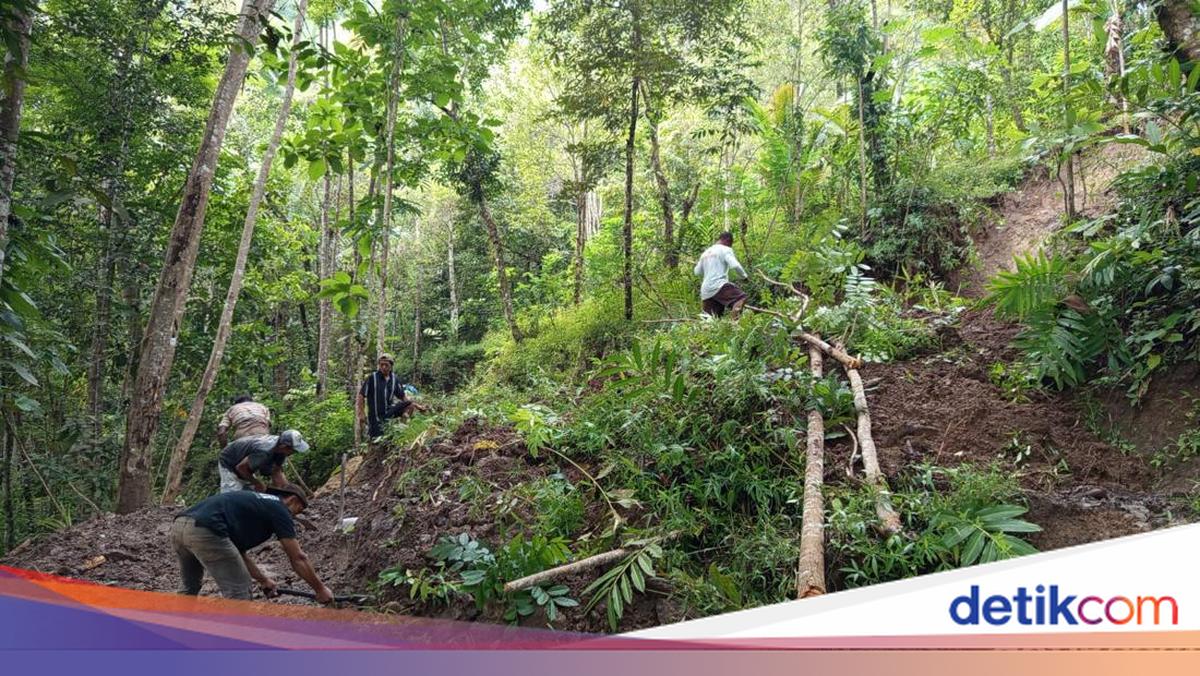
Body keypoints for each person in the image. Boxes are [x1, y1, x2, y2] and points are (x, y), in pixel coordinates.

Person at [170, 483, 333, 603]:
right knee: (238, 591)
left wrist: (263, 580)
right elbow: (297, 557)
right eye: (299, 509)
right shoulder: (280, 508)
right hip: (207, 531)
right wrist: (320, 589)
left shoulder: (257, 503)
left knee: (189, 587)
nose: (296, 516)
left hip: (180, 526)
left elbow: (236, 554)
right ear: (292, 500)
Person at [357, 353, 425, 440]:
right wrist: (361, 413)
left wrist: (417, 407)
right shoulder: (372, 378)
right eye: (381, 365)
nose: (384, 367)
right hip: (375, 415)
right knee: (376, 438)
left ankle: (402, 429)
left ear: (391, 366)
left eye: (386, 365)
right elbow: (361, 395)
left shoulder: (394, 379)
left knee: (409, 405)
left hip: (389, 411)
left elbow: (402, 396)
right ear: (379, 365)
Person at [217, 430, 309, 493]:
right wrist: (258, 483)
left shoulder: (281, 450)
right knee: (233, 495)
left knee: (250, 491)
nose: (294, 453)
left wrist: (285, 490)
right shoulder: (264, 450)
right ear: (284, 447)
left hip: (245, 462)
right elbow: (241, 468)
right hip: (229, 461)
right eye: (294, 450)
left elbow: (276, 471)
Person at [694, 231, 750, 319]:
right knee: (741, 298)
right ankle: (734, 325)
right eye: (731, 244)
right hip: (719, 285)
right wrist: (744, 277)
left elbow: (697, 272)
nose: (730, 246)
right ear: (728, 241)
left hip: (706, 290)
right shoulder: (725, 249)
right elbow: (735, 265)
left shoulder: (705, 253)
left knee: (711, 320)